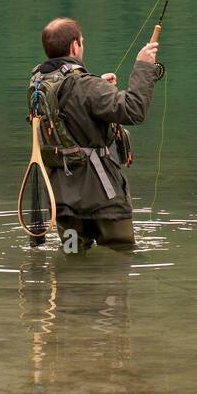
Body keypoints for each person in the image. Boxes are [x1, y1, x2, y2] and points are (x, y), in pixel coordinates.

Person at [29, 17, 162, 250]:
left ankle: (72, 288)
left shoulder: (39, 84)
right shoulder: (86, 87)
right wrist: (143, 66)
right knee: (120, 255)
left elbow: (70, 114)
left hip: (60, 195)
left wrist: (100, 88)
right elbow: (133, 111)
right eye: (82, 41)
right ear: (74, 46)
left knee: (72, 256)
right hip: (102, 197)